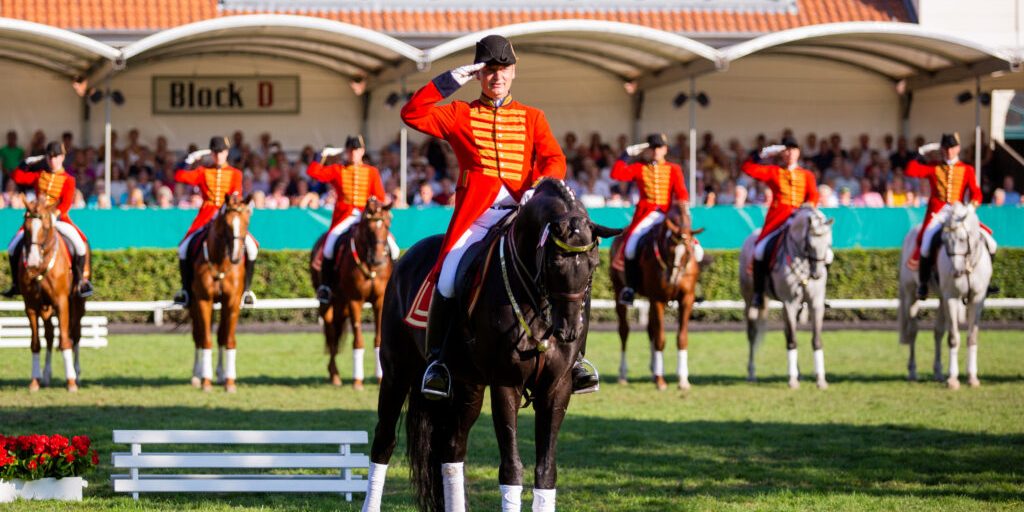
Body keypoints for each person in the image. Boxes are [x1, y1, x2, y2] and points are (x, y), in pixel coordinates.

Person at [400, 34, 597, 399]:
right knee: (446, 278)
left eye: (503, 70)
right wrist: (449, 79)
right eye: (489, 71)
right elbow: (412, 113)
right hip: (476, 217)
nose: (497, 77)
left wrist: (542, 182)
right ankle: (439, 363)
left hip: (524, 216)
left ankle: (578, 360)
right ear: (479, 75)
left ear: (513, 72)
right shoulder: (460, 113)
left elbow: (554, 157)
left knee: (569, 268)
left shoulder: (532, 117)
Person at [610, 133, 702, 306]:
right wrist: (626, 154)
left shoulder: (673, 168)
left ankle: (695, 288)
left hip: (669, 215)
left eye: (659, 147)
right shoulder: (639, 167)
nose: (656, 151)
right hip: (646, 214)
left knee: (696, 249)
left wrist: (683, 210)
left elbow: (681, 192)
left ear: (665, 149)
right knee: (630, 248)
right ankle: (630, 288)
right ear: (648, 150)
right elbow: (616, 174)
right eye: (652, 147)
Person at [905, 133, 996, 300]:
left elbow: (976, 193)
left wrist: (970, 207)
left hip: (960, 212)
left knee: (991, 242)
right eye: (946, 148)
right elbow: (911, 170)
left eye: (952, 148)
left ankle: (986, 283)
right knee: (926, 243)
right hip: (938, 214)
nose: (949, 152)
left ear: (958, 149)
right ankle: (923, 284)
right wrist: (921, 152)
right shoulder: (934, 167)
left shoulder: (967, 169)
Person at [308, 135, 396, 304]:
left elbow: (379, 196)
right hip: (345, 216)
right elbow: (314, 172)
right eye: (350, 150)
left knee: (393, 246)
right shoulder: (338, 169)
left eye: (356, 150)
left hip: (366, 216)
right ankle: (326, 286)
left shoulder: (371, 172)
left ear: (362, 151)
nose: (353, 153)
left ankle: (395, 283)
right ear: (346, 152)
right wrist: (320, 156)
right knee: (329, 246)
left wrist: (373, 205)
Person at [172, 136, 258, 307]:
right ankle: (186, 290)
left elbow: (236, 196)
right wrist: (188, 162)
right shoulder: (203, 171)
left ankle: (246, 291)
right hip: (206, 214)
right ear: (211, 154)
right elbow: (180, 176)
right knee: (183, 248)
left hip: (228, 215)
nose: (219, 156)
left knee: (252, 247)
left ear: (226, 153)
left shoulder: (235, 174)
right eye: (216, 152)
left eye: (222, 152)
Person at [742, 137, 823, 308]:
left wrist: (808, 206)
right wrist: (762, 154)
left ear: (798, 152)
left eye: (793, 149)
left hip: (800, 221)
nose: (790, 153)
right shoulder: (774, 172)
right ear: (781, 153)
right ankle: (758, 292)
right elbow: (748, 168)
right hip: (778, 220)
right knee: (759, 250)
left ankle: (820, 292)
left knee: (823, 252)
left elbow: (814, 195)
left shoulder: (807, 175)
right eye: (786, 149)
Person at [4, 142, 92, 297]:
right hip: (38, 220)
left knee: (79, 244)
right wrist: (27, 162)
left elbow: (66, 203)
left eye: (56, 157)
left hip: (58, 219)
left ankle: (80, 282)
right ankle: (16, 284)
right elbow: (17, 177)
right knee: (12, 247)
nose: (52, 160)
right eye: (50, 157)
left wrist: (54, 214)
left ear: (62, 157)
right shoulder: (40, 175)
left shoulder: (68, 179)